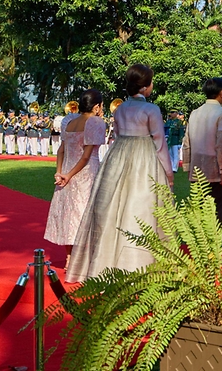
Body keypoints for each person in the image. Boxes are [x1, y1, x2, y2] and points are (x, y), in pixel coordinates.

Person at [66, 64, 174, 283]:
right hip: (144, 157)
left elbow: (116, 133)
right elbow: (159, 143)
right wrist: (168, 174)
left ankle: (107, 264)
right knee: (142, 208)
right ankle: (140, 266)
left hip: (118, 155)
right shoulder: (151, 109)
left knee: (113, 208)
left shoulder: (121, 108)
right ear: (145, 86)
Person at [44, 90, 106, 268]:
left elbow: (61, 150)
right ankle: (85, 258)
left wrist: (60, 173)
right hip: (86, 172)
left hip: (66, 170)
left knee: (69, 214)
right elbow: (86, 156)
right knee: (87, 213)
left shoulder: (69, 122)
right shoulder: (95, 122)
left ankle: (70, 258)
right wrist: (69, 175)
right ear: (96, 106)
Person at [183, 78, 222, 222]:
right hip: (214, 171)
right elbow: (221, 145)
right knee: (215, 214)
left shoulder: (194, 113)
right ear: (221, 92)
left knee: (198, 215)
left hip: (197, 171)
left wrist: (187, 167)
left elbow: (186, 143)